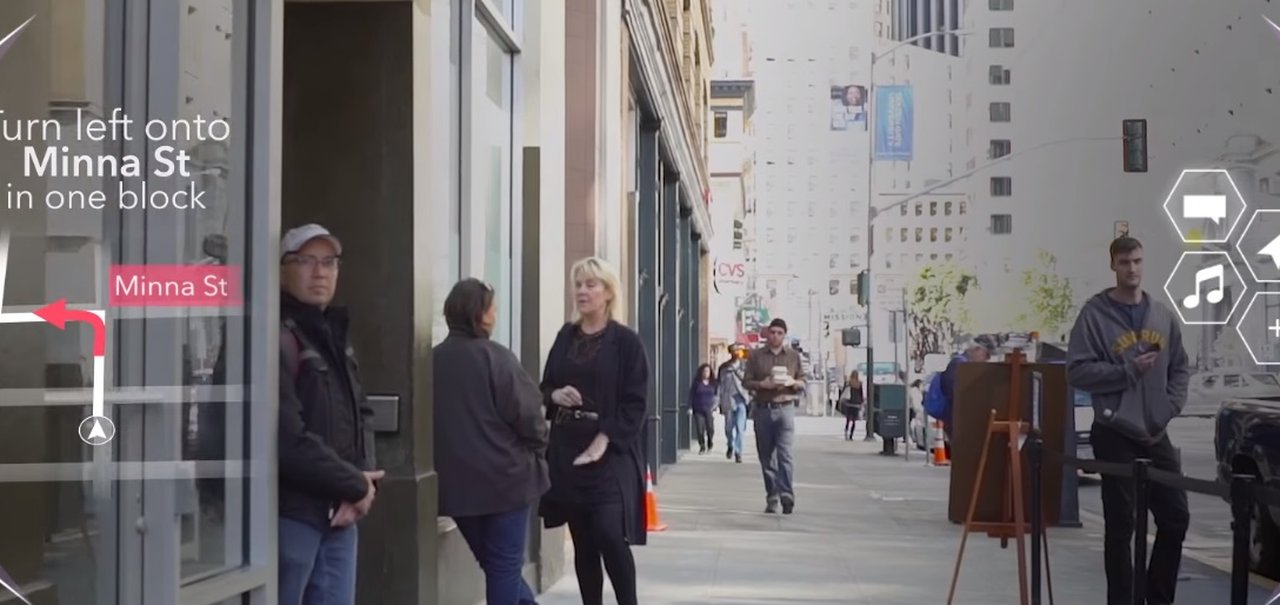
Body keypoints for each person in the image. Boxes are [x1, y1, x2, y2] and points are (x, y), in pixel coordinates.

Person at [1066, 236, 1190, 605]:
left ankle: (1158, 597)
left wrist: (1170, 406)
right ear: (1113, 266)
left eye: (1137, 261)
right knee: (1121, 527)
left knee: (1175, 519)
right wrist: (1126, 372)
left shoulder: (1162, 316)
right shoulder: (1094, 315)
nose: (1132, 269)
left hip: (1155, 431)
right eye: (1124, 262)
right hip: (1115, 430)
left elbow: (1180, 367)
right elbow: (1077, 371)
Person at [277, 224, 385, 605]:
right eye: (306, 261)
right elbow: (287, 438)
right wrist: (354, 485)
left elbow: (362, 413)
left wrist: (363, 485)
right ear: (281, 269)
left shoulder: (333, 336)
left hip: (341, 516)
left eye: (328, 262)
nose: (319, 271)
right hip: (293, 517)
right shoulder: (274, 336)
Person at [539, 257, 650, 605]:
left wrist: (604, 439)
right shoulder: (565, 336)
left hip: (610, 453)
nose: (582, 291)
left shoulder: (626, 342)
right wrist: (555, 395)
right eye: (578, 285)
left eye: (591, 284)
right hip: (568, 451)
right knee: (584, 542)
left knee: (609, 534)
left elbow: (636, 402)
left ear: (608, 292)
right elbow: (545, 387)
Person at [433, 278, 549, 604]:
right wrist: (538, 450)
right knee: (504, 570)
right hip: (506, 483)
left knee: (499, 568)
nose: (496, 313)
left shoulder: (431, 362)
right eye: (492, 308)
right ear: (480, 315)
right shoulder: (496, 358)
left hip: (457, 491)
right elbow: (530, 417)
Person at [742, 318, 806, 514]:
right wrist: (763, 385)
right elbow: (747, 381)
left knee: (785, 454)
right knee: (766, 457)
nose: (775, 336)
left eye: (779, 333)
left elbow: (803, 381)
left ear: (784, 335)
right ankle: (772, 495)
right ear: (767, 334)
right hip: (763, 409)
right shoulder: (756, 356)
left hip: (785, 408)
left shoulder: (793, 356)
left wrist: (792, 381)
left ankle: (787, 494)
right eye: (773, 332)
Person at [717, 344, 749, 463]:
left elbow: (747, 381)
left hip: (741, 399)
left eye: (739, 351)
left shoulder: (745, 366)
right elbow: (719, 385)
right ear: (730, 352)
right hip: (728, 399)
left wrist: (736, 371)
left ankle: (738, 452)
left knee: (740, 428)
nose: (737, 353)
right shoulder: (724, 368)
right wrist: (718, 401)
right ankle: (730, 444)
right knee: (729, 428)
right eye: (735, 351)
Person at [689, 363, 718, 454]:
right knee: (699, 429)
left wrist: (716, 405)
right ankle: (702, 446)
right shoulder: (697, 383)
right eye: (704, 371)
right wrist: (690, 407)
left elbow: (717, 395)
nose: (706, 373)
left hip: (709, 409)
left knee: (710, 428)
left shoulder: (713, 383)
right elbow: (691, 395)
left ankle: (710, 442)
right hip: (698, 409)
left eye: (708, 371)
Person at [838, 371, 865, 440]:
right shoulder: (859, 383)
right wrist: (861, 402)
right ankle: (851, 436)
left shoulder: (848, 382)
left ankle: (846, 432)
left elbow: (843, 391)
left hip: (849, 403)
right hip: (856, 404)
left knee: (848, 419)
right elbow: (861, 394)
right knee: (854, 421)